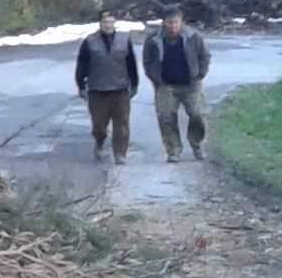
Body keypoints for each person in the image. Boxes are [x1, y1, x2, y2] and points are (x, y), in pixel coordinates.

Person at [142, 9, 212, 163]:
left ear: (181, 22)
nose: (173, 26)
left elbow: (204, 56)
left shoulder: (193, 36)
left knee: (196, 113)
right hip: (166, 85)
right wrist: (155, 79)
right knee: (166, 117)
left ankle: (196, 143)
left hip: (191, 84)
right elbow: (147, 61)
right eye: (169, 22)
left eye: (176, 22)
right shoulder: (154, 39)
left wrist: (200, 74)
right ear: (163, 23)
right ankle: (173, 150)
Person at [74, 12, 140, 164]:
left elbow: (131, 64)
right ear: (100, 23)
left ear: (115, 23)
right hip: (97, 90)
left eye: (111, 22)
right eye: (105, 22)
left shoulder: (124, 40)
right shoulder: (90, 41)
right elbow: (82, 65)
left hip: (120, 89)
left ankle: (120, 153)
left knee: (122, 124)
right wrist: (81, 85)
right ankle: (99, 142)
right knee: (99, 125)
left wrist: (134, 84)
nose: (108, 25)